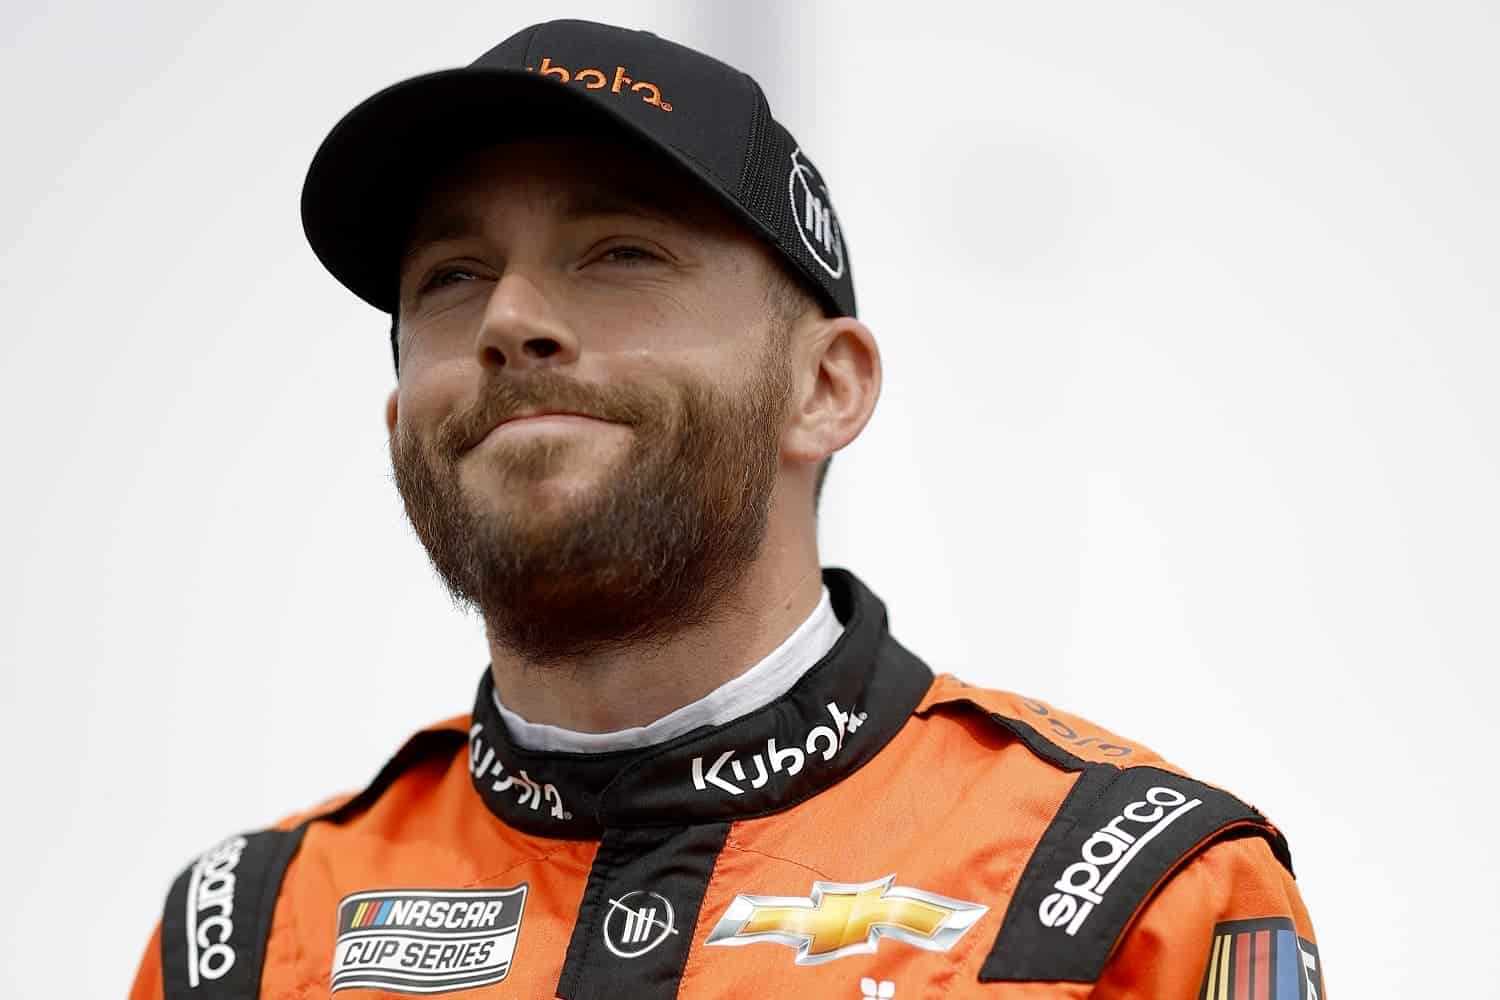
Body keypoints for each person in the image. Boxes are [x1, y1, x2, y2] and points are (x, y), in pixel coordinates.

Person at [129, 18, 1324, 1000]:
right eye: (453, 278)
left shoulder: (1133, 886)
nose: (510, 321)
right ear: (402, 416)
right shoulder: (244, 933)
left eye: (621, 253)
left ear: (826, 385)